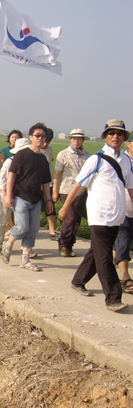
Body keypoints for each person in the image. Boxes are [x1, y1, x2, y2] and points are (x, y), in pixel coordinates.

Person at [60, 119, 133, 312]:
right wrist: (65, 207)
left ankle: (78, 280)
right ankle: (113, 298)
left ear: (124, 137)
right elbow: (79, 184)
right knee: (105, 257)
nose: (115, 136)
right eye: (111, 133)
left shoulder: (126, 160)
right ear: (105, 136)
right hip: (99, 215)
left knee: (97, 252)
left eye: (119, 134)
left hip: (117, 216)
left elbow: (130, 187)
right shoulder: (97, 159)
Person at [0, 123, 53, 272]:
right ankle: (8, 244)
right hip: (21, 197)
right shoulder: (22, 155)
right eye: (37, 135)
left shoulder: (43, 159)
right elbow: (11, 176)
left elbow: (46, 182)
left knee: (33, 230)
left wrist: (48, 201)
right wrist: (8, 196)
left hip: (36, 199)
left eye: (43, 136)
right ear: (30, 137)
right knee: (22, 227)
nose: (40, 138)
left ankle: (25, 259)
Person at [52, 129, 91, 257]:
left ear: (83, 140)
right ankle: (63, 243)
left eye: (79, 138)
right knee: (71, 218)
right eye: (74, 138)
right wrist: (55, 191)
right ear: (70, 139)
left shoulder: (88, 156)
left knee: (77, 220)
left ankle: (69, 245)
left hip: (82, 192)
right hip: (67, 190)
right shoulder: (63, 154)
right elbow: (57, 175)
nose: (76, 141)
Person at [0, 138, 30, 253]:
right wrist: (6, 196)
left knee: (23, 221)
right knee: (4, 218)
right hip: (6, 193)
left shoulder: (29, 163)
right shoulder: (9, 162)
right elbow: (2, 182)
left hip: (22, 195)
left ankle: (24, 247)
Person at [113, 132, 133, 295]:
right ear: (129, 143)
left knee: (119, 244)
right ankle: (125, 276)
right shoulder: (121, 160)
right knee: (124, 241)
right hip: (123, 207)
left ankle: (108, 261)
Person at [41, 127, 59, 241]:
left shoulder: (50, 149)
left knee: (50, 206)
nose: (45, 143)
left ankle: (52, 231)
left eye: (48, 141)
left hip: (49, 182)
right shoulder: (33, 149)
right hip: (36, 183)